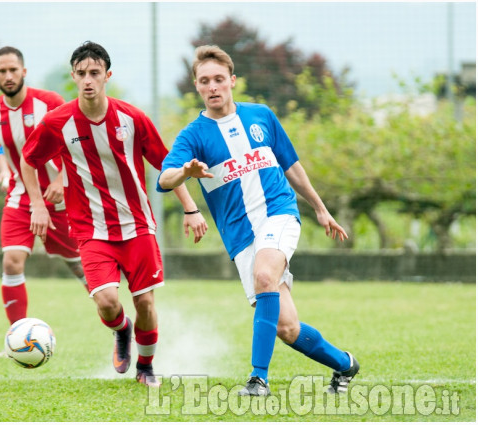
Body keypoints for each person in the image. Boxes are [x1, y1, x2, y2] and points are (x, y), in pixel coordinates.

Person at [157, 45, 359, 396]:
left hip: (280, 214)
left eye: (219, 79)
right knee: (287, 327)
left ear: (232, 81)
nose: (213, 86)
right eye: (205, 81)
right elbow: (164, 179)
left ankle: (257, 379)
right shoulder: (193, 136)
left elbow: (292, 166)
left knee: (265, 275)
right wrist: (185, 172)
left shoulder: (261, 116)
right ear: (197, 87)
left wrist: (320, 208)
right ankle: (344, 364)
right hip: (240, 235)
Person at [21, 41, 207, 387]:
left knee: (146, 304)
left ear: (107, 76)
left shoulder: (132, 118)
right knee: (108, 302)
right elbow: (28, 158)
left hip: (137, 226)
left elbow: (167, 166)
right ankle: (123, 331)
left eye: (95, 73)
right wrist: (37, 203)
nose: (88, 80)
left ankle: (146, 367)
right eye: (81, 74)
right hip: (90, 228)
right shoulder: (57, 123)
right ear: (73, 77)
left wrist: (190, 208)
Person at [0, 46, 87, 337]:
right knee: (11, 262)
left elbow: (75, 144)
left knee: (81, 268)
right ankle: (17, 337)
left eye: (14, 70)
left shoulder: (49, 102)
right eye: (3, 71)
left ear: (24, 72)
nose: (9, 76)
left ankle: (116, 323)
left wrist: (61, 178)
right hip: (20, 197)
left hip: (59, 198)